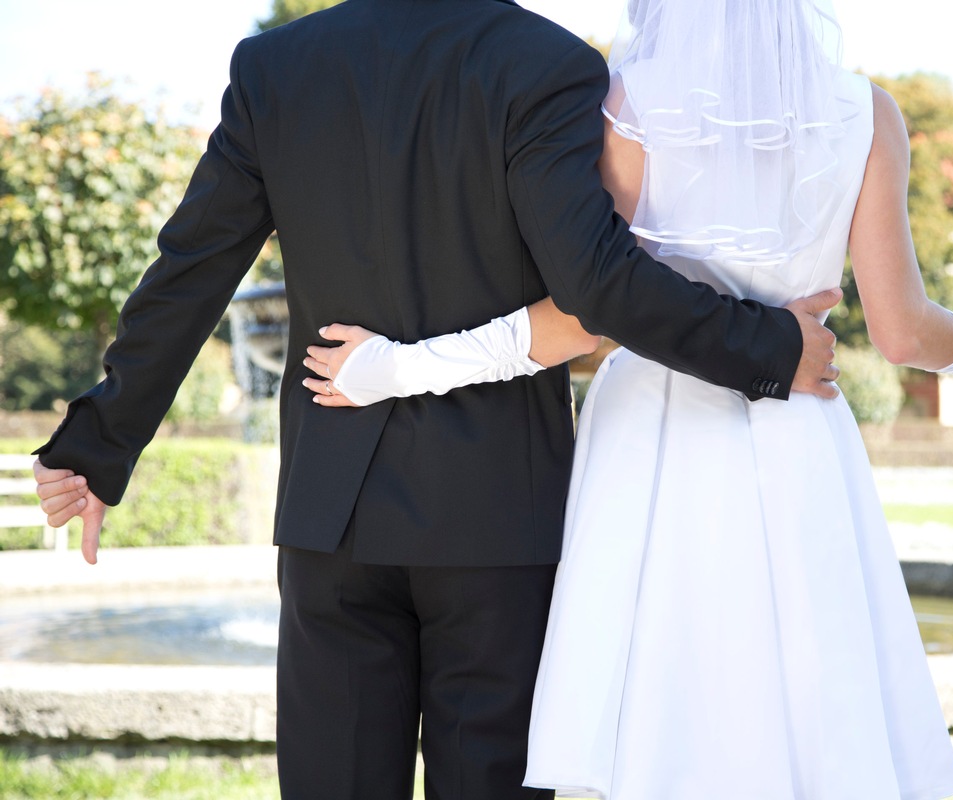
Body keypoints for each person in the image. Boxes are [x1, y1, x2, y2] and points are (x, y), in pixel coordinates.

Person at [30, 0, 849, 798]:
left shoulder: (277, 66)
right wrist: (770, 344)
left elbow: (192, 269)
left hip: (331, 518)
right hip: (500, 518)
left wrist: (98, 443)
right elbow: (598, 283)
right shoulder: (549, 62)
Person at [303, 0, 953, 797]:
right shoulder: (867, 114)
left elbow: (588, 315)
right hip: (799, 431)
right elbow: (903, 333)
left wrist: (402, 367)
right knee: (804, 710)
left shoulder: (620, 108)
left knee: (654, 717)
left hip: (649, 440)